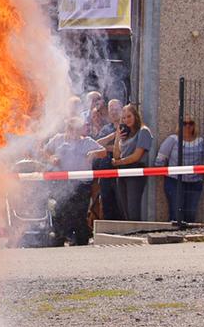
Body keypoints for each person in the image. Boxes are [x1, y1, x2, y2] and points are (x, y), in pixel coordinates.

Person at [44, 116, 102, 246]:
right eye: (71, 128)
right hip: (62, 183)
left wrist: (93, 153)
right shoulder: (58, 139)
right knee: (60, 211)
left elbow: (102, 151)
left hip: (81, 184)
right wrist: (51, 158)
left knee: (80, 212)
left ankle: (81, 241)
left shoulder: (87, 141)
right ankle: (58, 240)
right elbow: (46, 151)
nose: (74, 132)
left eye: (77, 129)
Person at [154, 116, 204, 224]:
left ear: (194, 126)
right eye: (184, 123)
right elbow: (160, 160)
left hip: (195, 183)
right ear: (179, 125)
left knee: (191, 214)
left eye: (191, 123)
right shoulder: (172, 139)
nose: (187, 126)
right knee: (176, 213)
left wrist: (202, 174)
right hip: (174, 182)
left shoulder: (201, 141)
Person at [108, 103, 153, 221]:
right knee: (124, 208)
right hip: (122, 172)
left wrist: (118, 163)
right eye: (124, 118)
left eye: (129, 116)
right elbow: (116, 155)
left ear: (135, 116)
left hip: (135, 171)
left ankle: (136, 234)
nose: (126, 120)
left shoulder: (144, 131)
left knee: (133, 208)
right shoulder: (125, 134)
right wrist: (118, 136)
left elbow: (136, 156)